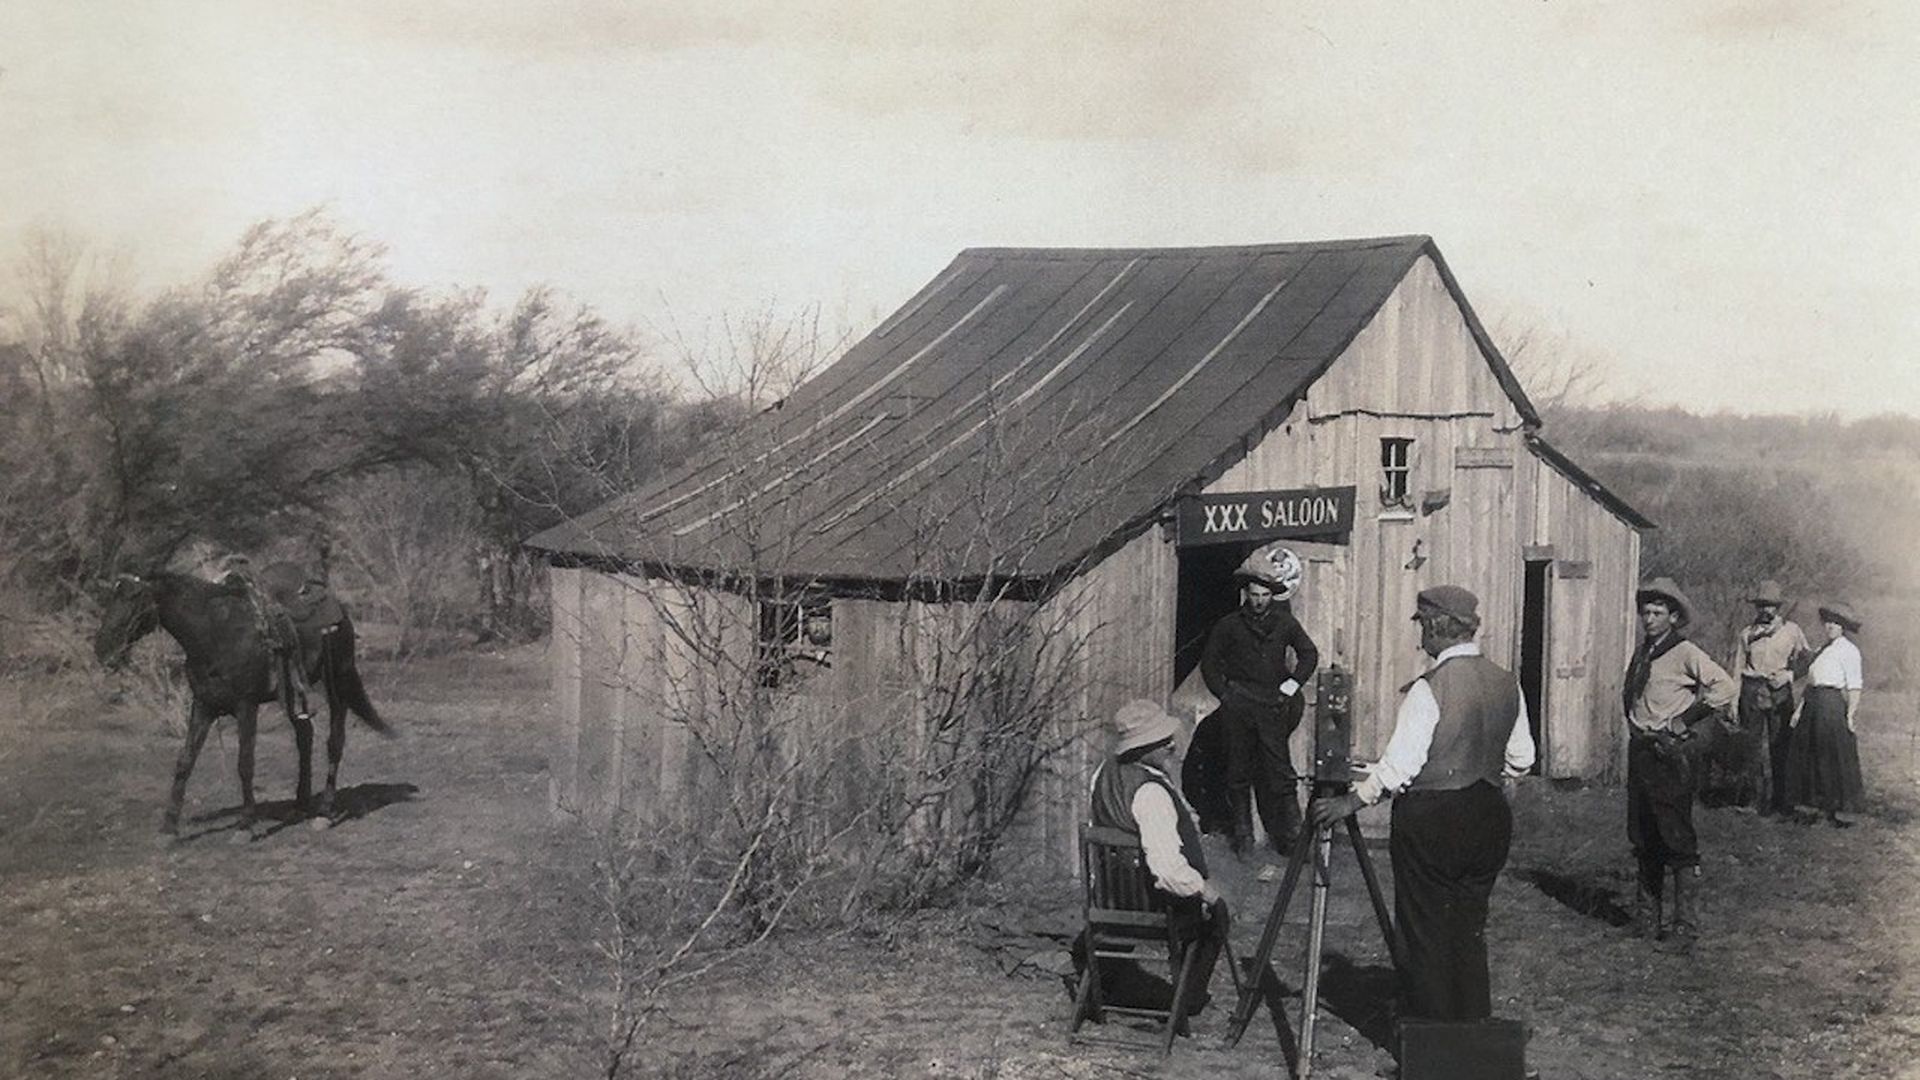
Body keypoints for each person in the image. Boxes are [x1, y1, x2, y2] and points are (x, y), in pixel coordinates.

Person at [1309, 585, 1535, 1023]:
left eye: (1423, 627)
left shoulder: (1429, 688)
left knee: (1425, 933)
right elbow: (1522, 758)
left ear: (1438, 626)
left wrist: (1351, 803)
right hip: (1489, 816)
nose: (1420, 639)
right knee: (1468, 931)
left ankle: (1432, 1048)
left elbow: (1400, 767)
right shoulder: (1508, 682)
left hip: (1433, 820)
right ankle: (1472, 1037)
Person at [1086, 698, 1231, 1009]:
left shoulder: (1102, 774)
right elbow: (1167, 872)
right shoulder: (1150, 793)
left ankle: (1105, 984)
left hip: (1107, 902)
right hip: (1149, 908)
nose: (1172, 746)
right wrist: (1205, 891)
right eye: (1162, 741)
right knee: (1218, 913)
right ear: (1141, 748)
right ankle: (1187, 1001)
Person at [1622, 577, 1737, 947]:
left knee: (1676, 835)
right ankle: (1646, 917)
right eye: (1646, 612)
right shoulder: (1645, 651)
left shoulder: (1685, 652)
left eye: (1658, 613)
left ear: (1673, 617)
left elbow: (1724, 687)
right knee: (1643, 832)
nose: (1649, 619)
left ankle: (1684, 925)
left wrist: (1685, 720)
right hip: (1641, 750)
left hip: (1669, 754)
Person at [1198, 543, 1319, 860]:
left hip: (1273, 705)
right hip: (1239, 705)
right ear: (1245, 594)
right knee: (1238, 773)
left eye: (1265, 595)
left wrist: (1292, 685)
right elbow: (1209, 664)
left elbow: (1309, 654)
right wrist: (1225, 696)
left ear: (1272, 595)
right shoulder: (1229, 626)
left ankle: (1294, 839)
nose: (1259, 601)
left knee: (1281, 772)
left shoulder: (1285, 624)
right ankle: (1244, 840)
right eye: (1254, 594)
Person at [1726, 580, 1810, 814]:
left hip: (1779, 691)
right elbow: (1737, 669)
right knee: (1750, 746)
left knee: (1781, 744)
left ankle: (1782, 801)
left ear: (1778, 607)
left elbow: (1807, 659)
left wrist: (1789, 675)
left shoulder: (1791, 631)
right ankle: (1752, 801)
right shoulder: (1747, 634)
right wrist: (1733, 701)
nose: (1766, 610)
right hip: (1751, 690)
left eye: (1770, 605)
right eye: (1761, 605)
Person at [1783, 602, 1867, 827]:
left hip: (1831, 707)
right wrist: (1799, 711)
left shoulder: (1849, 651)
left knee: (1829, 757)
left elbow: (1854, 686)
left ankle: (1833, 810)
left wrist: (1850, 715)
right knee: (1809, 755)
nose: (1830, 626)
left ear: (1843, 627)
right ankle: (1814, 808)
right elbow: (1810, 685)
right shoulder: (1822, 650)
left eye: (1836, 623)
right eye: (1828, 621)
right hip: (1813, 704)